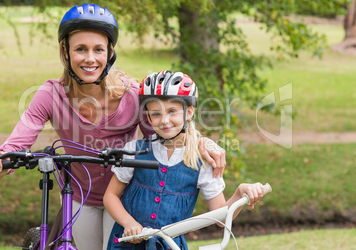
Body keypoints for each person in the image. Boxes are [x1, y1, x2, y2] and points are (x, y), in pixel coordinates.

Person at [0, 4, 226, 250]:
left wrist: (202, 142)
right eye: (80, 49)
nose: (90, 58)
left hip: (123, 199)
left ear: (110, 53)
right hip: (79, 197)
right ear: (65, 52)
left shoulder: (131, 95)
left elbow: (166, 134)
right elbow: (14, 146)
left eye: (98, 49)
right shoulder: (50, 95)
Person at [104, 70, 264, 250]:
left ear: (189, 112)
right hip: (127, 244)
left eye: (172, 111)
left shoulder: (202, 161)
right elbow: (110, 196)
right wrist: (128, 223)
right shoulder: (135, 150)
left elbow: (220, 219)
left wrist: (240, 192)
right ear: (148, 117)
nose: (164, 120)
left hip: (170, 246)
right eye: (156, 114)